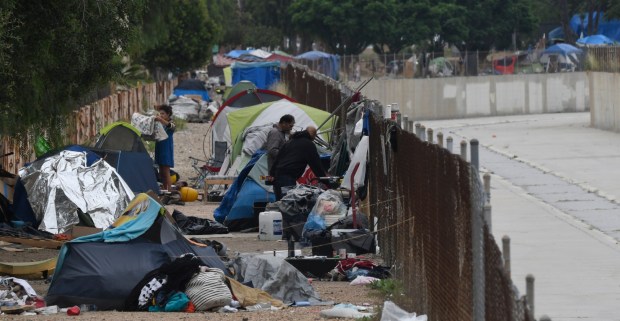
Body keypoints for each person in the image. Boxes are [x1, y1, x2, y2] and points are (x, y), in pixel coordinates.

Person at [270, 126, 327, 200]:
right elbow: (316, 165)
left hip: (277, 176)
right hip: (288, 177)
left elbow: (277, 159)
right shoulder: (308, 144)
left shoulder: (289, 142)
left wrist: (271, 174)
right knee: (288, 202)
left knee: (280, 202)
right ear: (313, 135)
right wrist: (326, 181)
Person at [154, 105, 176, 192]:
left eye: (163, 113)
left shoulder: (170, 124)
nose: (161, 115)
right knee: (161, 172)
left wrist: (160, 120)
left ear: (168, 114)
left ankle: (169, 190)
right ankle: (164, 190)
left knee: (166, 171)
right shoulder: (160, 124)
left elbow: (172, 126)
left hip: (166, 149)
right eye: (160, 113)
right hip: (159, 148)